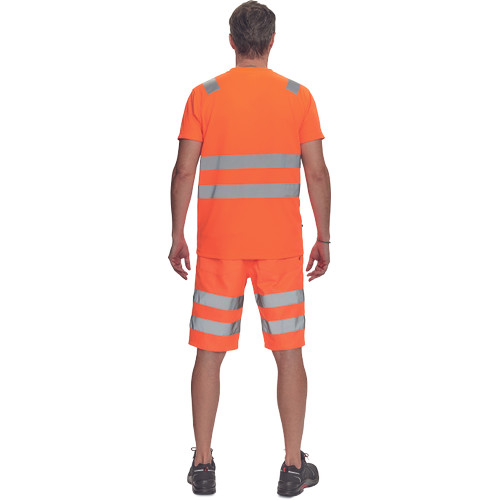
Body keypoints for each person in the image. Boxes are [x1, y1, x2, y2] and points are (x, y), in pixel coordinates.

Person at [169, 1, 331, 495]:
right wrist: (324, 237)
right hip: (280, 248)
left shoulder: (204, 95)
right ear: (272, 41)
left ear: (232, 41)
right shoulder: (297, 96)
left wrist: (177, 234)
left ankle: (202, 464)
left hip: (219, 247)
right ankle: (291, 465)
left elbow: (184, 170)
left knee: (209, 353)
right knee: (289, 354)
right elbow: (317, 172)